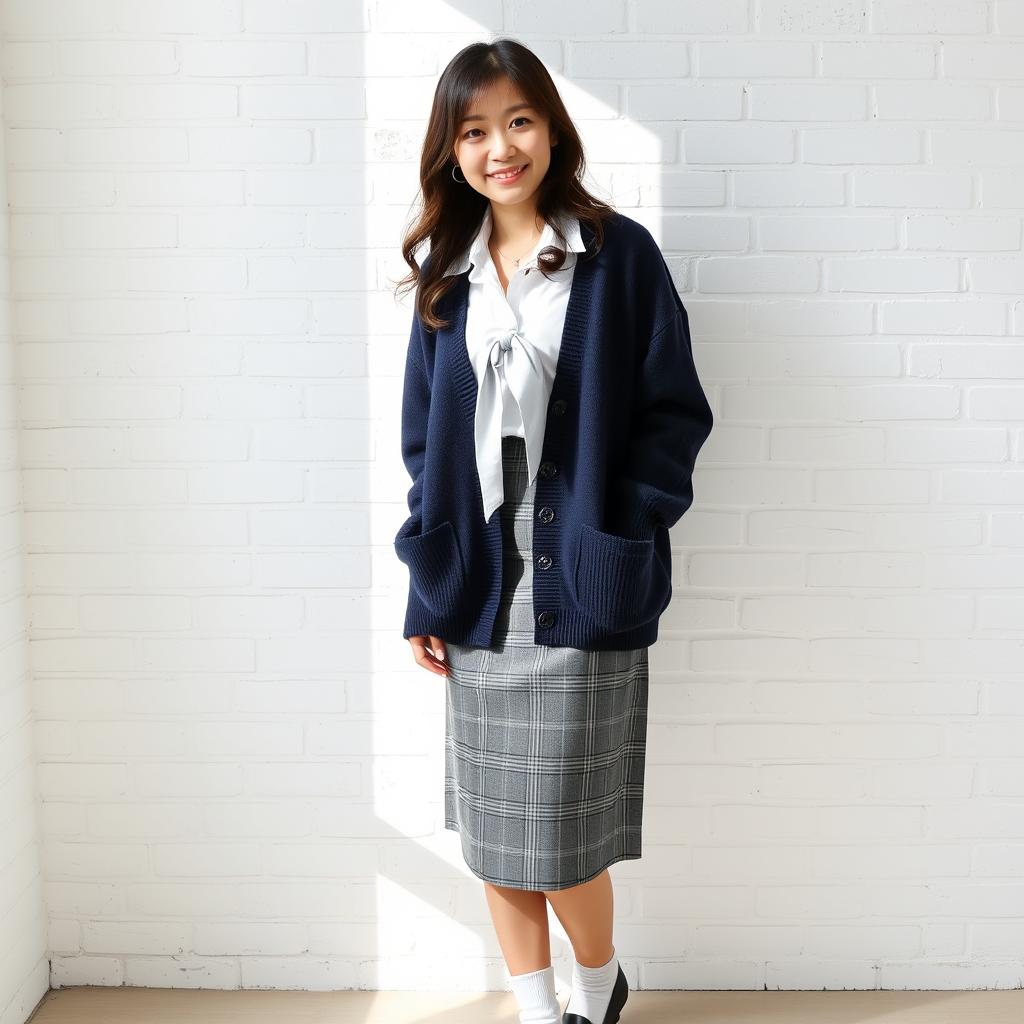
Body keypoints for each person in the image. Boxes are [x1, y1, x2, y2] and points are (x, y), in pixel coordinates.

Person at [392, 38, 713, 1024]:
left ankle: (596, 983)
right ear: (451, 152)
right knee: (494, 831)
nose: (501, 147)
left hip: (579, 562)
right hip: (480, 575)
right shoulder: (449, 274)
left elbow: (674, 413)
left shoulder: (617, 258)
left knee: (566, 831)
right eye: (475, 130)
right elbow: (424, 447)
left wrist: (624, 519)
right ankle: (539, 1011)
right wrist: (425, 588)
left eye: (518, 121)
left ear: (551, 130)